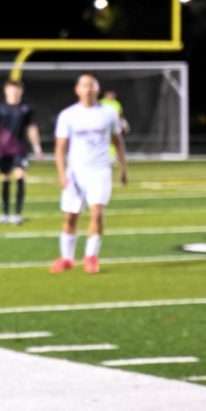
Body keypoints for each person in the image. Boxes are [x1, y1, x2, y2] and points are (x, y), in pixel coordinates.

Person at [50, 73, 127, 274]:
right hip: (76, 172)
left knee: (97, 214)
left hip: (100, 171)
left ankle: (91, 256)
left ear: (97, 89)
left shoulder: (108, 113)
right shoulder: (68, 115)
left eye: (92, 85)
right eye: (84, 85)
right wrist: (61, 173)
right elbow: (60, 147)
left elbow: (117, 141)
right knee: (70, 217)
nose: (88, 89)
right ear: (77, 89)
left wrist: (123, 168)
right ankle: (67, 258)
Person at [0, 80, 43, 223]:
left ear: (21, 91)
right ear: (6, 91)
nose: (14, 92)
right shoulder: (0, 108)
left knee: (20, 176)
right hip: (3, 150)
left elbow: (32, 128)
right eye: (11, 89)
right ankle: (5, 213)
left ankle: (17, 213)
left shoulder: (26, 109)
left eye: (17, 89)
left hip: (20, 150)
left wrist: (37, 147)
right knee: (4, 179)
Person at [99, 89, 130, 163]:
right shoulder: (101, 103)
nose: (112, 96)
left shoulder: (116, 103)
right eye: (110, 94)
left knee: (116, 141)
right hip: (103, 126)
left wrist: (125, 124)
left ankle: (115, 158)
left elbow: (119, 115)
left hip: (114, 126)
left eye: (113, 94)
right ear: (106, 95)